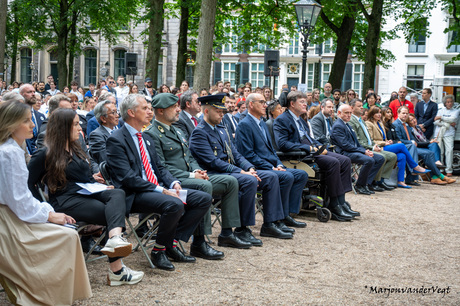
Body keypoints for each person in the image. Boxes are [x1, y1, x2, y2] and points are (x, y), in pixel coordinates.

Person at [27, 108, 144, 286]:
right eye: (74, 124)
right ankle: (117, 269)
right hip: (65, 200)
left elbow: (84, 177)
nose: (79, 128)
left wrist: (99, 185)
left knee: (117, 193)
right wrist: (44, 209)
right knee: (112, 213)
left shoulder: (76, 148)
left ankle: (114, 241)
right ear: (63, 127)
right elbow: (29, 183)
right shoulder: (45, 153)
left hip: (87, 193)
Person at [0, 100, 92, 305]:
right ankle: (47, 294)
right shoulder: (9, 153)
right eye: (26, 121)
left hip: (13, 215)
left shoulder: (12, 148)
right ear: (11, 125)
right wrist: (49, 214)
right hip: (8, 223)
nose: (33, 124)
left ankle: (57, 293)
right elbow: (18, 200)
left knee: (68, 232)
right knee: (67, 235)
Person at [106, 94, 211, 270]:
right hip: (134, 194)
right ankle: (159, 250)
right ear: (131, 112)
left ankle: (171, 243)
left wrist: (173, 183)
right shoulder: (117, 139)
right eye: (145, 108)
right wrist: (160, 190)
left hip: (156, 189)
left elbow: (160, 168)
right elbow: (127, 178)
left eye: (149, 108)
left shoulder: (145, 138)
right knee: (174, 203)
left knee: (203, 198)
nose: (150, 111)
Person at [189, 94, 294, 241]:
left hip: (232, 171)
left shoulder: (220, 128)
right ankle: (242, 229)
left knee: (270, 177)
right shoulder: (200, 132)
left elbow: (236, 154)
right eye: (218, 112)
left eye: (223, 112)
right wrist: (241, 171)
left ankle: (269, 224)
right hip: (214, 173)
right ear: (206, 112)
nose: (222, 115)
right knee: (248, 180)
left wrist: (249, 167)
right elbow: (213, 162)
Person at [146, 93, 240, 256]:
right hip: (172, 181)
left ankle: (227, 233)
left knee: (230, 181)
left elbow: (189, 156)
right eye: (174, 107)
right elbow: (162, 167)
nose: (178, 110)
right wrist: (192, 176)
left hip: (190, 176)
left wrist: (197, 170)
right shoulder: (152, 133)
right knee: (204, 185)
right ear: (160, 111)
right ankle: (199, 242)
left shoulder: (176, 130)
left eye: (177, 106)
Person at [274, 91, 358, 221]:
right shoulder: (282, 120)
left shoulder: (300, 120)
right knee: (333, 162)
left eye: (304, 101)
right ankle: (334, 205)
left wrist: (319, 146)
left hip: (313, 150)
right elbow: (283, 144)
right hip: (300, 155)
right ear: (292, 104)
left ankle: (341, 201)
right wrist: (309, 148)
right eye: (301, 102)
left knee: (345, 160)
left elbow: (310, 138)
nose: (305, 104)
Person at [236, 93, 309, 227]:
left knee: (301, 175)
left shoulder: (262, 124)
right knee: (286, 177)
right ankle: (275, 219)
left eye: (265, 102)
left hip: (271, 165)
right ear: (251, 104)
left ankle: (286, 214)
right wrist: (271, 167)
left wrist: (279, 164)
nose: (265, 105)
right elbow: (248, 154)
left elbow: (271, 151)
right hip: (257, 167)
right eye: (262, 102)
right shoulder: (245, 125)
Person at [365, 106, 430, 188]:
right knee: (402, 145)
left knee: (402, 156)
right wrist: (384, 143)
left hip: (385, 145)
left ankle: (400, 181)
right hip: (378, 147)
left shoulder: (380, 123)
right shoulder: (369, 124)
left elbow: (384, 137)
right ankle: (414, 166)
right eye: (377, 113)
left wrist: (388, 141)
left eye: (380, 112)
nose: (379, 114)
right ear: (372, 114)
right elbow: (371, 140)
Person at [330, 105, 386, 195]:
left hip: (352, 151)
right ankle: (359, 185)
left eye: (350, 113)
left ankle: (366, 183)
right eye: (346, 113)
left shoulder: (346, 124)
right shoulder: (338, 126)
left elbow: (356, 143)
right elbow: (345, 145)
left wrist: (366, 150)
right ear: (339, 113)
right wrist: (363, 151)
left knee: (380, 159)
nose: (349, 115)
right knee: (369, 160)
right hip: (344, 153)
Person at [393, 106, 454, 185]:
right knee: (428, 153)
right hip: (405, 147)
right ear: (398, 113)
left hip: (412, 147)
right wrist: (411, 142)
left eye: (407, 113)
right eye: (403, 113)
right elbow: (398, 140)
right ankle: (439, 175)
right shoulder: (396, 124)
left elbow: (412, 139)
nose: (405, 115)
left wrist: (413, 142)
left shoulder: (406, 125)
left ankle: (429, 177)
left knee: (431, 151)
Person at [348, 99, 397, 191]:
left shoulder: (361, 120)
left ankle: (380, 181)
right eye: (359, 106)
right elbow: (357, 140)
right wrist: (372, 147)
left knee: (393, 156)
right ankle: (370, 182)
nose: (362, 107)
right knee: (382, 157)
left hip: (371, 146)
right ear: (352, 108)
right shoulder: (351, 121)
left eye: (362, 105)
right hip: (362, 148)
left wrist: (375, 145)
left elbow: (368, 137)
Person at [434, 95, 459, 176]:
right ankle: (441, 169)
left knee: (449, 151)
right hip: (440, 133)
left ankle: (449, 170)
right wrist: (447, 122)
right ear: (445, 103)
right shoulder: (441, 110)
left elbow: (453, 119)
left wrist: (441, 118)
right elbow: (435, 122)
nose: (450, 103)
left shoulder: (456, 111)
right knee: (440, 151)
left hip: (449, 133)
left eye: (451, 101)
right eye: (448, 102)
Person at [88, 100, 120, 164]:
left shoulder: (118, 132)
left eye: (117, 112)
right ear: (103, 119)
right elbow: (104, 159)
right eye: (113, 113)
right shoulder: (96, 135)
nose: (117, 115)